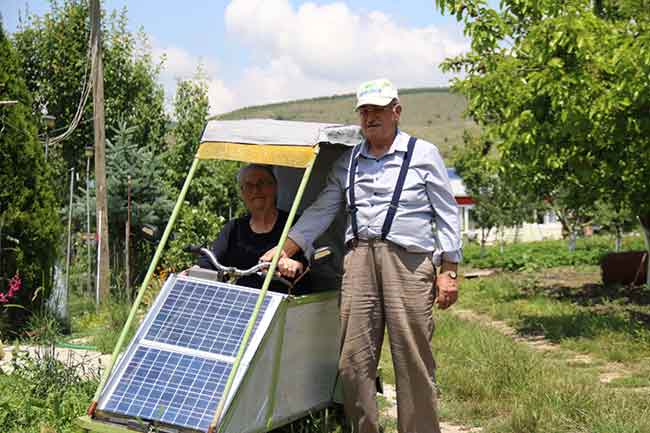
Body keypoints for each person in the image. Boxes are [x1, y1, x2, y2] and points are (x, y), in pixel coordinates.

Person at [261, 78, 462, 433]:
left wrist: (448, 270)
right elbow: (323, 209)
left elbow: (447, 213)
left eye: (378, 110)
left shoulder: (423, 154)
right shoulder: (349, 160)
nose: (371, 117)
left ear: (396, 111)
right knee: (353, 361)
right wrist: (285, 248)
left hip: (409, 262)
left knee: (412, 359)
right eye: (365, 111)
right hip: (358, 262)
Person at [198, 164, 308, 293]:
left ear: (274, 187)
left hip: (286, 300)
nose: (256, 190)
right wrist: (195, 270)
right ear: (242, 193)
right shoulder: (233, 228)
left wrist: (296, 265)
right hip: (241, 300)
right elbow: (211, 260)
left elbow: (311, 262)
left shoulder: (296, 224)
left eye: (262, 183)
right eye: (249, 185)